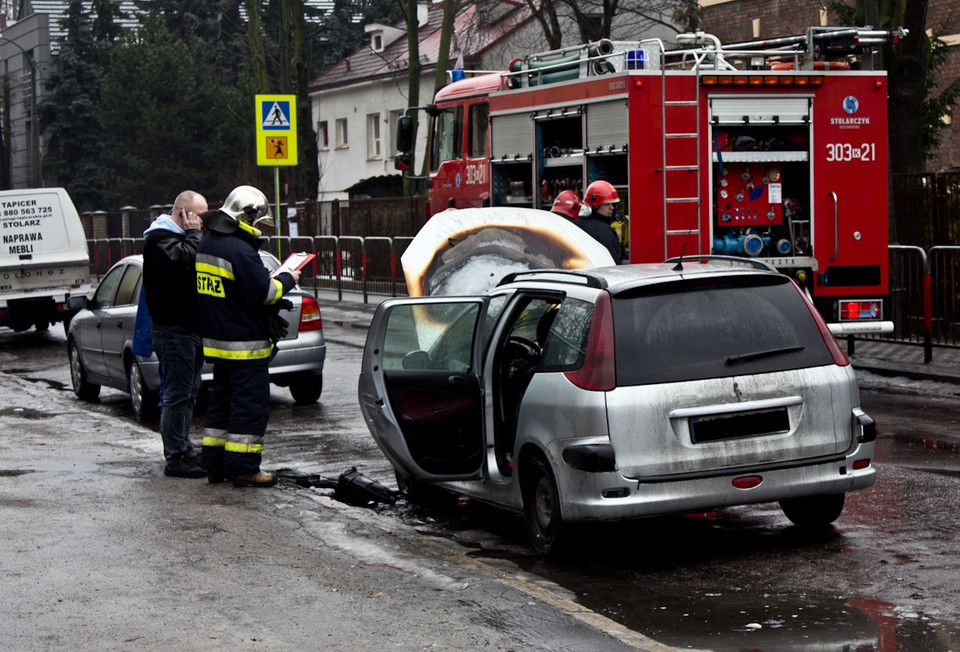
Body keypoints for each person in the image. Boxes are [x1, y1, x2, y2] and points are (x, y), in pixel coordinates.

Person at [195, 185, 300, 487]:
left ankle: (214, 465)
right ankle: (244, 468)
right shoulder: (240, 250)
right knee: (249, 408)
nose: (255, 228)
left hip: (219, 344)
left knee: (221, 404)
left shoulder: (209, 244)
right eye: (255, 221)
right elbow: (263, 293)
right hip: (245, 348)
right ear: (247, 215)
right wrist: (287, 279)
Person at [142, 190, 209, 478]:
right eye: (198, 216)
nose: (202, 223)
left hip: (189, 328)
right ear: (183, 212)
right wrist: (194, 234)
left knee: (189, 394)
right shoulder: (159, 239)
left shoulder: (180, 238)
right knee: (176, 395)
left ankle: (185, 448)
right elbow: (184, 262)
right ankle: (175, 456)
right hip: (173, 331)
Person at [578, 180, 625, 264]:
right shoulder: (605, 231)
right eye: (607, 204)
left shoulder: (573, 225)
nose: (611, 208)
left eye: (612, 204)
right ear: (595, 204)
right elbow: (612, 263)